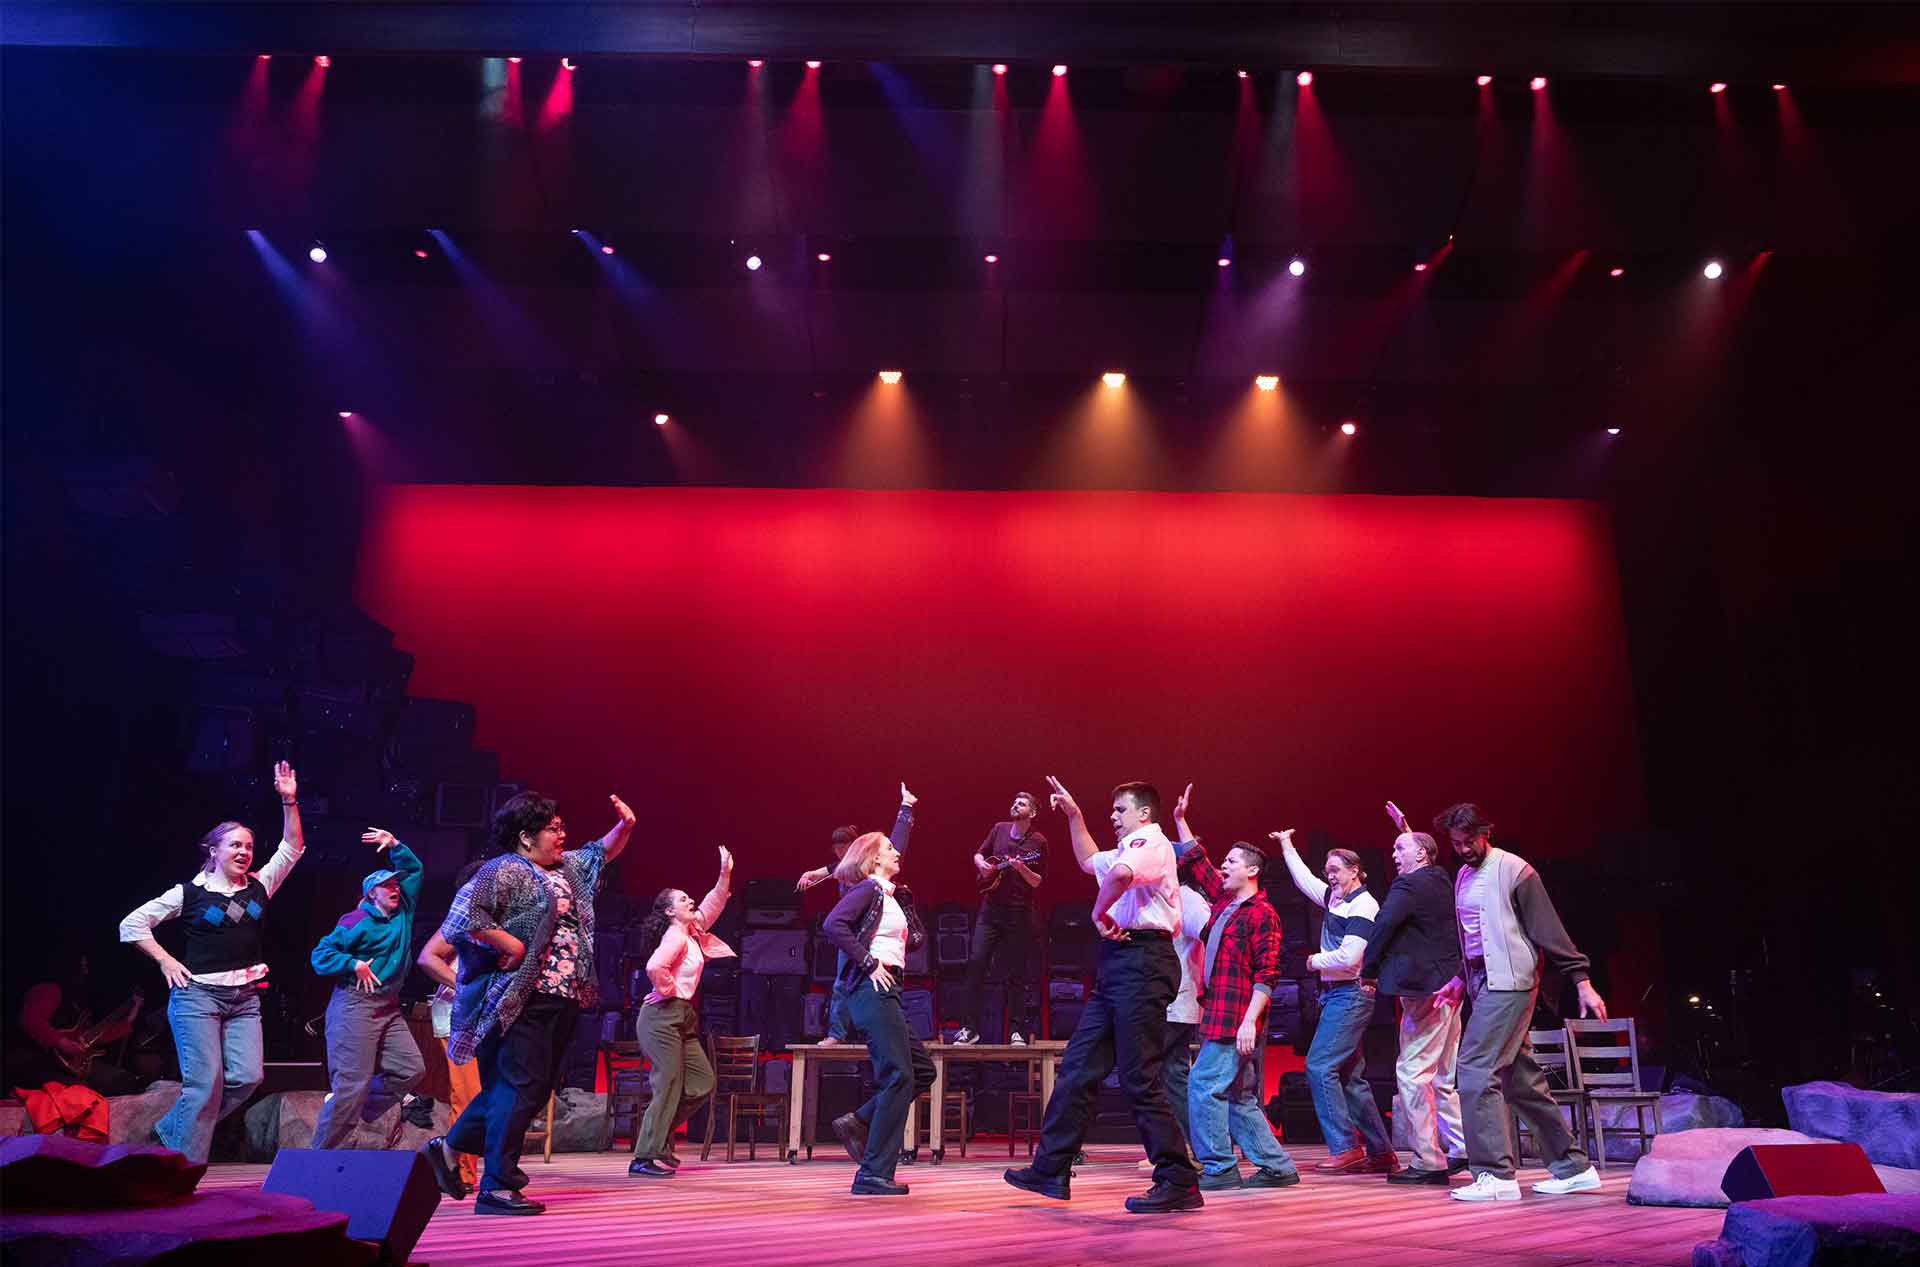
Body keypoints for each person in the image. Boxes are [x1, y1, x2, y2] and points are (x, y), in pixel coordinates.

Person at [419, 790, 636, 1215]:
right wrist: (512, 945)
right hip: (520, 996)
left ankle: (447, 1150)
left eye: (562, 827)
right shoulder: (505, 870)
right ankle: (497, 1185)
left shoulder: (568, 867)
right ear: (524, 836)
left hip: (563, 994)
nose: (562, 834)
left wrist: (626, 826)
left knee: (528, 1090)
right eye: (553, 828)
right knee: (518, 1087)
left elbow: (599, 853)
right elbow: (466, 920)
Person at [1004, 777, 1201, 1214]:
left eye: (1120, 810)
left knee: (1138, 1077)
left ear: (1143, 814)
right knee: (1078, 1067)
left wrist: (1098, 910)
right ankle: (1051, 1169)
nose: (1113, 817)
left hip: (1145, 961)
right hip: (1120, 960)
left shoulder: (1151, 841)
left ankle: (1179, 1179)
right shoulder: (1131, 844)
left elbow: (1120, 875)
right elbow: (1092, 861)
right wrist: (1074, 816)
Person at [119, 761, 304, 1163]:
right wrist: (166, 960)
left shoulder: (259, 885)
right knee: (205, 1087)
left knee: (248, 1077)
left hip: (245, 999)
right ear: (214, 850)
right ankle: (186, 1169)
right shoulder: (189, 894)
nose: (244, 851)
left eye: (249, 846)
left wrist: (289, 801)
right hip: (197, 997)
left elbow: (291, 848)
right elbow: (131, 925)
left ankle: (174, 1130)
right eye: (235, 845)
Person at [1433, 802, 1605, 1203]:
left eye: (1469, 841)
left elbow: (1548, 929)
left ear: (1485, 832)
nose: (1463, 849)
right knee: (1519, 1078)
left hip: (1510, 983)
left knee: (1475, 1066)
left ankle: (1495, 1175)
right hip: (1482, 983)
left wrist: (1581, 980)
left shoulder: (1514, 870)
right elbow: (1476, 937)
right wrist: (1460, 980)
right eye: (1456, 843)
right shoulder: (1462, 875)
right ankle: (1574, 1167)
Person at [1167, 785, 1302, 1191]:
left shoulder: (1263, 914)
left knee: (1203, 1086)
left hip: (1235, 1019)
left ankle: (1219, 1166)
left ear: (1252, 871)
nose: (1222, 866)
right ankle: (1277, 1167)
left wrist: (1249, 1022)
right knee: (1240, 1098)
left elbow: (1268, 973)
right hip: (1221, 1016)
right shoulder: (1225, 906)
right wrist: (1180, 820)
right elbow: (1198, 864)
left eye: (1231, 861)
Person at [821, 830, 935, 1196]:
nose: (896, 851)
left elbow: (915, 940)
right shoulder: (867, 890)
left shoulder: (888, 894)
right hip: (872, 987)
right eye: (889, 848)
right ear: (873, 859)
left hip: (890, 988)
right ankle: (873, 1172)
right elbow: (833, 925)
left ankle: (860, 1120)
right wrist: (869, 963)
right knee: (898, 1076)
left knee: (920, 1070)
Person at [1359, 802, 1467, 1184]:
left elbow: (1384, 925)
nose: (1393, 854)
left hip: (1424, 988)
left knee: (1411, 1071)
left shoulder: (1410, 884)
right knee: (1441, 1073)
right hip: (1451, 985)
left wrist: (1368, 970)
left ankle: (1428, 1160)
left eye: (1399, 849)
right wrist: (1405, 828)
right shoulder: (1440, 878)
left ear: (1420, 854)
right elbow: (1421, 850)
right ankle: (1460, 1148)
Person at [1278, 831, 1396, 1174]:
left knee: (1319, 1066)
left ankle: (1346, 1148)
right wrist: (1286, 845)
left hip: (1350, 993)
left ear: (1355, 871)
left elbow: (1350, 957)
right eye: (1327, 870)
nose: (1329, 875)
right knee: (1350, 1076)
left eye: (1336, 870)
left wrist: (1313, 961)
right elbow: (1304, 880)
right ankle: (1381, 1152)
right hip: (1336, 994)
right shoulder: (1335, 898)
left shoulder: (1363, 905)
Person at [308, 828, 427, 1149]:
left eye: (395, 884)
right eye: (386, 885)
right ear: (371, 893)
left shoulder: (404, 912)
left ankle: (354, 1104)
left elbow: (415, 871)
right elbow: (320, 955)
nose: (395, 889)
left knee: (410, 1069)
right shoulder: (357, 919)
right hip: (354, 1005)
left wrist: (396, 845)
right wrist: (353, 964)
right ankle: (320, 1158)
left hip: (387, 1006)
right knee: (350, 1086)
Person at [628, 845, 735, 1178]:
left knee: (702, 1083)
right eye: (683, 899)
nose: (690, 902)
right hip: (662, 1017)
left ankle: (657, 1139)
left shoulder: (690, 931)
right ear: (669, 912)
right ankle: (643, 1156)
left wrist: (724, 873)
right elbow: (654, 966)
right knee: (669, 1082)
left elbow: (713, 904)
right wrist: (667, 990)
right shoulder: (675, 935)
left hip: (682, 1016)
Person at [794, 785, 917, 1045]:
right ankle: (837, 1034)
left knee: (878, 987)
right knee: (841, 982)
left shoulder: (870, 871)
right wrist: (814, 874)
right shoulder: (849, 870)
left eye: (845, 849)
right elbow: (833, 872)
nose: (840, 854)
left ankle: (874, 1034)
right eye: (837, 850)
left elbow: (898, 844)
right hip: (854, 934)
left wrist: (906, 808)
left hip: (873, 935)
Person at [952, 792, 1047, 1046]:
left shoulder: (1038, 842)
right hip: (990, 910)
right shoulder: (999, 829)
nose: (1015, 804)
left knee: (1015, 973)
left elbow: (1037, 881)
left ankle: (1017, 1031)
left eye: (1023, 803)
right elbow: (978, 854)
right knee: (976, 964)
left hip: (1018, 913)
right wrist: (981, 864)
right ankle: (969, 1028)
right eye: (1014, 800)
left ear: (1033, 813)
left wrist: (1021, 867)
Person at [8, 952, 146, 1097]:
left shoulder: (73, 1000)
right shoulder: (49, 989)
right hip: (39, 1063)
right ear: (69, 968)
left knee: (123, 1080)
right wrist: (62, 1042)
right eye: (83, 966)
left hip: (69, 1066)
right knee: (82, 1092)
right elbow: (30, 1020)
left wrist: (132, 1014)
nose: (86, 971)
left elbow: (93, 1036)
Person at [417, 925, 482, 1191]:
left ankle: (468, 1167)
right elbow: (428, 958)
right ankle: (459, 1169)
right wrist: (466, 988)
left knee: (483, 1094)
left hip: (484, 1019)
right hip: (459, 1017)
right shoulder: (466, 917)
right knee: (468, 1094)